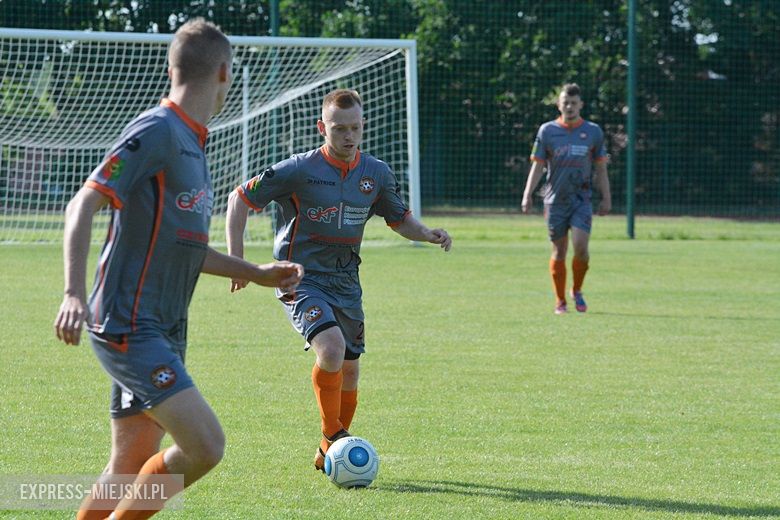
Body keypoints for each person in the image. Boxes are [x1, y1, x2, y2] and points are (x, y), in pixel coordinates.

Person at [53, 19, 303, 519]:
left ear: (173, 68)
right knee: (206, 445)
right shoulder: (158, 131)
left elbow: (184, 248)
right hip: (129, 324)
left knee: (128, 462)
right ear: (225, 73)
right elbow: (83, 202)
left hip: (163, 328)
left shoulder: (193, 144)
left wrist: (255, 271)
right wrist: (72, 292)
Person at [226, 88, 452, 473]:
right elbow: (240, 198)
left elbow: (399, 220)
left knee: (349, 368)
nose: (348, 136)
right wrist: (236, 260)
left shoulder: (376, 174)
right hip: (300, 277)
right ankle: (336, 437)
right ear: (322, 128)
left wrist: (427, 233)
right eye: (339, 129)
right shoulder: (300, 169)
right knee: (330, 349)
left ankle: (328, 443)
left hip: (347, 281)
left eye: (355, 128)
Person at [521, 83, 611, 314]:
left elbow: (601, 168)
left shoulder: (593, 132)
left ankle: (577, 290)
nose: (569, 107)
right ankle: (560, 300)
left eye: (573, 103)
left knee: (581, 248)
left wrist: (606, 197)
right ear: (558, 104)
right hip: (554, 200)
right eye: (565, 103)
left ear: (581, 104)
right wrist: (527, 194)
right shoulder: (547, 131)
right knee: (559, 251)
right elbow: (538, 166)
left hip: (581, 199)